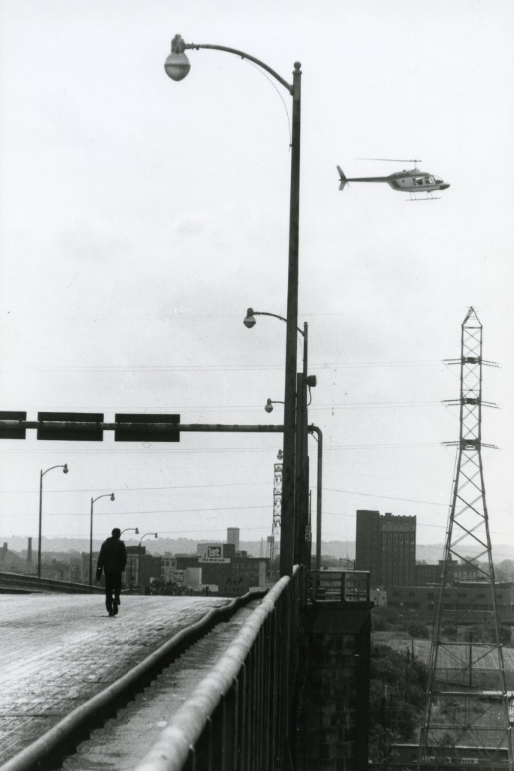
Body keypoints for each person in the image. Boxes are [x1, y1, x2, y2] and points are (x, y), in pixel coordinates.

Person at [96, 528, 127, 617]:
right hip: (117, 570)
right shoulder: (121, 544)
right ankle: (116, 599)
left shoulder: (106, 544)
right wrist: (122, 567)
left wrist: (98, 572)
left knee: (108, 589)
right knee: (117, 587)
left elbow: (100, 559)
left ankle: (109, 607)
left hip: (108, 570)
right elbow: (124, 558)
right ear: (119, 534)